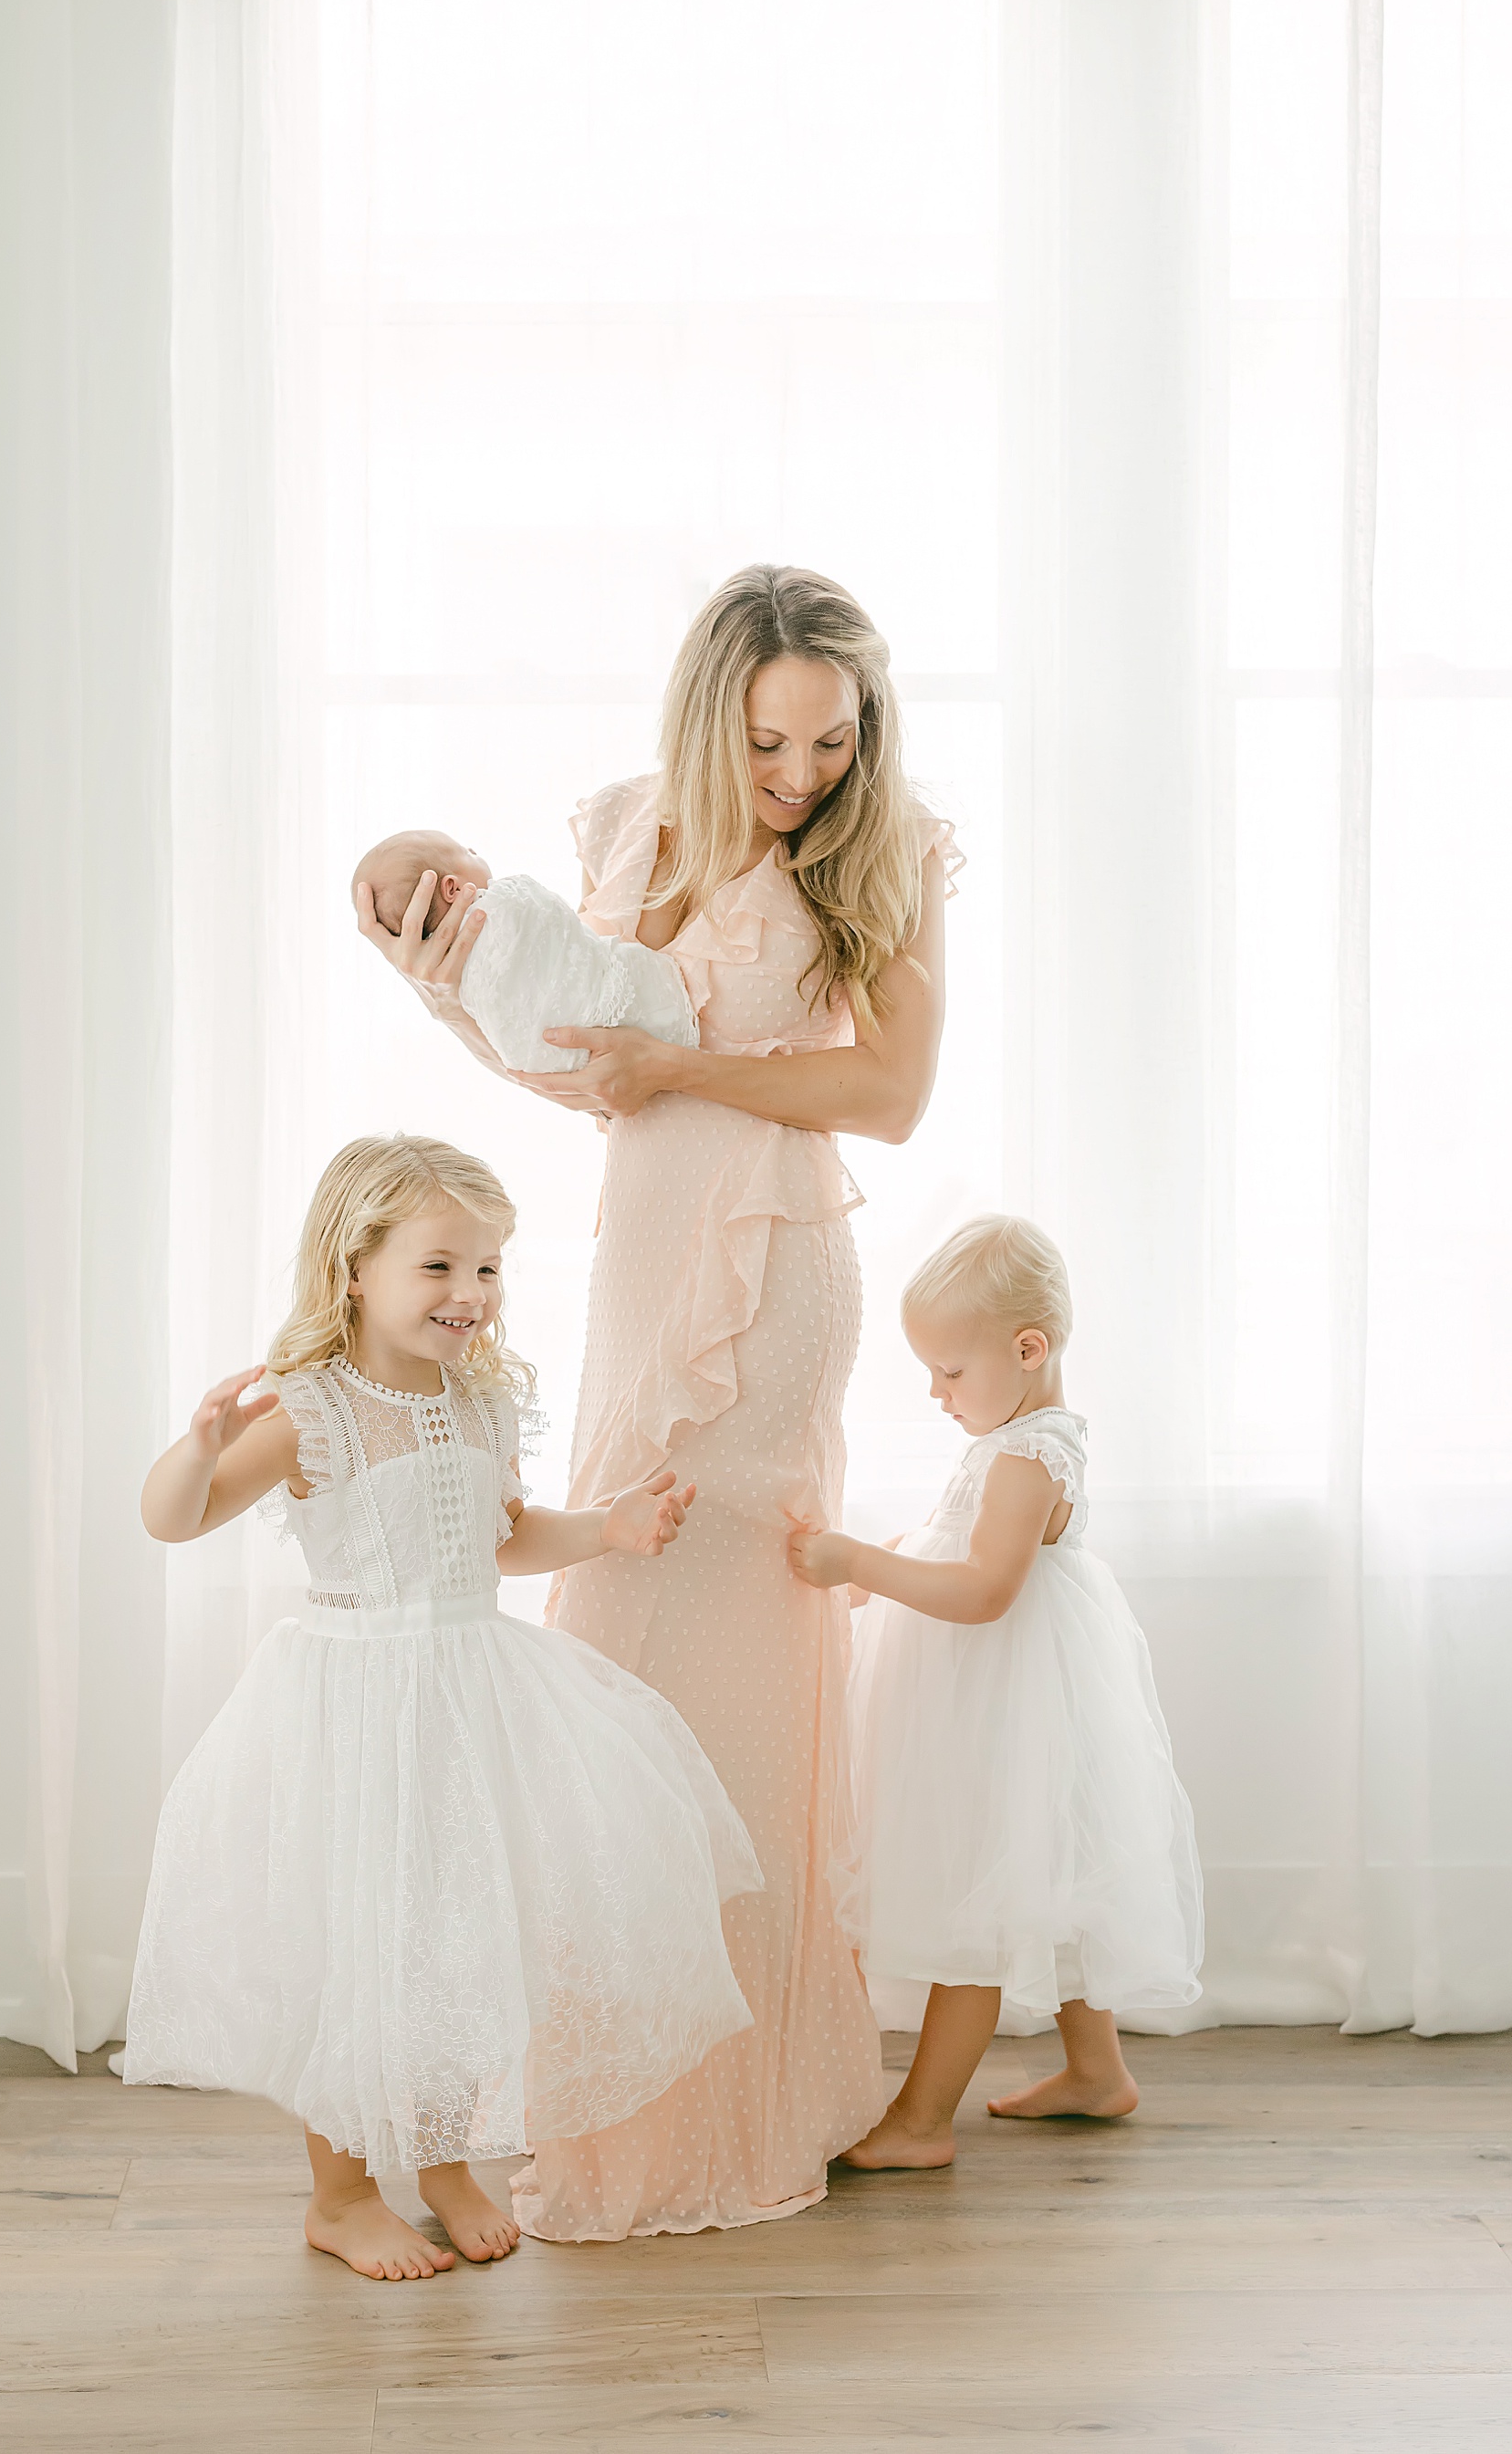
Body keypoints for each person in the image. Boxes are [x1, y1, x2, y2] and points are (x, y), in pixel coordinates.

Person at [356, 564, 958, 2237]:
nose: (803, 774)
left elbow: (893, 1094)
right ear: (712, 718)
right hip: (644, 1263)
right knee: (615, 1641)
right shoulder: (634, 834)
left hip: (771, 1282)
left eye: (832, 741)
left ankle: (748, 2097)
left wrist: (683, 1067)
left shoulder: (887, 846)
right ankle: (622, 2091)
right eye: (773, 741)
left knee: (731, 1647)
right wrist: (440, 979)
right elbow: (578, 1061)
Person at [124, 1133, 761, 2279]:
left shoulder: (478, 1402)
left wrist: (605, 1530)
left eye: (489, 1268)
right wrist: (200, 1442)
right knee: (358, 1948)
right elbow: (174, 1520)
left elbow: (500, 1539)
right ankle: (342, 2191)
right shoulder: (309, 1411)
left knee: (467, 1934)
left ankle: (446, 2158)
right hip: (356, 1708)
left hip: (472, 1696)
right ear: (354, 1268)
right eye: (439, 1267)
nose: (471, 1294)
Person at [787, 1214, 1204, 2168]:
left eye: (949, 1371)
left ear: (1029, 1349)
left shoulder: (1026, 1455)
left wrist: (858, 1561)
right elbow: (955, 1539)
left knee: (979, 1902)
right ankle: (1097, 2074)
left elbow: (983, 1590)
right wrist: (881, 1561)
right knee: (1047, 1881)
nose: (935, 1393)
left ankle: (922, 2123)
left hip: (1009, 1702)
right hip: (1016, 1698)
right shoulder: (1018, 1436)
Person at [352, 828, 698, 1074]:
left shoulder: (458, 980)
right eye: (466, 851)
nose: (474, 849)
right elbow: (553, 916)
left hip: (555, 1061)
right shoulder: (504, 902)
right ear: (452, 888)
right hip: (651, 1016)